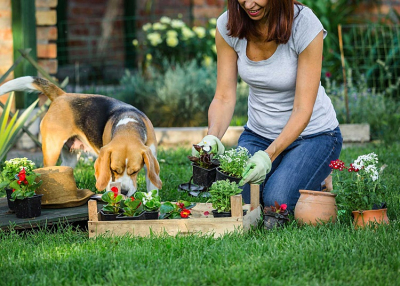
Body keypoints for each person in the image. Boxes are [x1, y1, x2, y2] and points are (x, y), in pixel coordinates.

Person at [193, 0, 343, 212]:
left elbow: (303, 109)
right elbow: (224, 96)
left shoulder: (305, 24)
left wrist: (268, 156)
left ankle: (313, 172)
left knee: (276, 200)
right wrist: (212, 137)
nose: (248, 3)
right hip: (259, 135)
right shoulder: (228, 26)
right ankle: (291, 170)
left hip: (314, 136)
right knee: (237, 198)